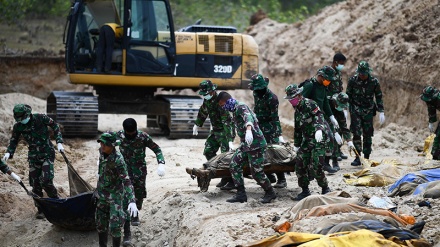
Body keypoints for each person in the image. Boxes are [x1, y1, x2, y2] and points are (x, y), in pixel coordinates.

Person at [2, 104, 64, 219]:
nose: (21, 121)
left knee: (46, 181)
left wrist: (59, 142)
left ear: (28, 114)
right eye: (19, 119)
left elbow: (55, 126)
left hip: (47, 154)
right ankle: (41, 209)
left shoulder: (41, 118)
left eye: (23, 118)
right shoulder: (18, 126)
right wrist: (9, 152)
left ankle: (57, 203)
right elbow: (14, 140)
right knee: (35, 185)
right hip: (33, 157)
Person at [217, 91, 276, 204]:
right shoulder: (234, 110)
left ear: (226, 101)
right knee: (234, 165)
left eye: (222, 104)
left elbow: (248, 118)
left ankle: (270, 192)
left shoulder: (241, 106)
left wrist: (249, 130)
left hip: (256, 144)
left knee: (256, 172)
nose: (222, 107)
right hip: (246, 145)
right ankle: (241, 194)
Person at [114, 118, 165, 245]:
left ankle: (136, 212)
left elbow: (157, 149)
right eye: (128, 134)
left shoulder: (143, 137)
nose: (130, 136)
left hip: (139, 170)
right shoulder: (119, 136)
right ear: (125, 131)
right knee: (126, 199)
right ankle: (127, 233)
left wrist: (161, 163)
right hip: (124, 171)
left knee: (139, 194)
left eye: (133, 134)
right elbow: (107, 146)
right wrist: (102, 159)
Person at [284, 84, 332, 200]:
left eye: (293, 98)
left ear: (299, 96)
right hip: (307, 140)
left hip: (318, 139)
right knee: (299, 164)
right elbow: (297, 129)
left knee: (317, 166)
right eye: (290, 99)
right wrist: (296, 145)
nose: (291, 101)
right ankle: (305, 190)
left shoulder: (310, 104)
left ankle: (325, 188)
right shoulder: (297, 111)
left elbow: (319, 116)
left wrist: (319, 129)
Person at [96, 133, 139, 247]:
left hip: (115, 197)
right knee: (101, 224)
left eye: (105, 144)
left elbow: (126, 181)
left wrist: (132, 200)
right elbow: (101, 172)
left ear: (112, 145)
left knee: (115, 226)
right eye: (101, 143)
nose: (102, 146)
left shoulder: (118, 160)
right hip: (101, 195)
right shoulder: (101, 152)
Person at [193, 80, 236, 190]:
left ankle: (231, 179)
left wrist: (230, 140)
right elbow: (203, 111)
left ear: (212, 92)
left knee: (226, 156)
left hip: (226, 131)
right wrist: (197, 124)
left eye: (206, 94)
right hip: (216, 130)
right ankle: (222, 174)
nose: (205, 96)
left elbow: (227, 122)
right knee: (208, 151)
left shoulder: (221, 102)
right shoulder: (207, 101)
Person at [249, 73, 287, 188]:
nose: (256, 91)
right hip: (259, 126)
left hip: (270, 127)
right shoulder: (256, 92)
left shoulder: (272, 98)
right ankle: (269, 175)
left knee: (273, 153)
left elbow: (275, 118)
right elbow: (256, 107)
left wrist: (279, 134)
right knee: (260, 152)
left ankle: (282, 179)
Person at [301, 66, 340, 173]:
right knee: (310, 143)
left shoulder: (322, 86)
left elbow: (325, 103)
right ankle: (308, 165)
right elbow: (300, 103)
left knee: (330, 137)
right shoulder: (310, 86)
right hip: (309, 118)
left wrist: (331, 117)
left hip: (320, 117)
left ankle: (326, 163)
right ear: (321, 76)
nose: (329, 82)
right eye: (327, 79)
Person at [346, 61, 385, 166]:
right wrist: (345, 109)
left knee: (367, 134)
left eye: (364, 74)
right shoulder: (352, 81)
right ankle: (358, 157)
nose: (362, 76)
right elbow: (347, 95)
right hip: (355, 110)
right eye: (360, 74)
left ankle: (366, 157)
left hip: (368, 110)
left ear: (368, 72)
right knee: (356, 134)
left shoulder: (374, 82)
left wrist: (381, 111)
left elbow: (379, 96)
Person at [329, 52, 349, 161]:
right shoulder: (327, 72)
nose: (342, 65)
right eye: (341, 63)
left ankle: (338, 150)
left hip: (338, 104)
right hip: (330, 104)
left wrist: (343, 106)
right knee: (332, 128)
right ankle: (332, 153)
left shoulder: (338, 73)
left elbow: (340, 89)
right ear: (335, 62)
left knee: (341, 127)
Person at [329, 92, 356, 170]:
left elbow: (343, 126)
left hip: (331, 122)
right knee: (332, 136)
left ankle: (335, 161)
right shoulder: (327, 104)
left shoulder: (339, 110)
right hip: (321, 123)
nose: (341, 107)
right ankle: (324, 162)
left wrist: (349, 141)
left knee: (339, 134)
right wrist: (334, 133)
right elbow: (326, 120)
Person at [420, 86, 440, 159]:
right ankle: (435, 154)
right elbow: (431, 109)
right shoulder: (430, 100)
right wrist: (431, 122)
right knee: (437, 135)